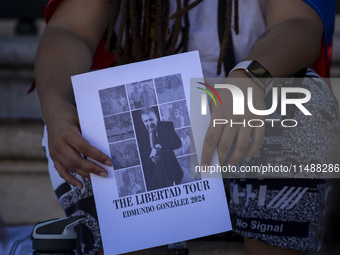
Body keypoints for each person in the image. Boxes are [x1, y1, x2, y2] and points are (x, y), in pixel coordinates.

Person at [34, 0, 338, 254]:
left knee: (302, 100)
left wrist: (250, 77)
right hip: (151, 171)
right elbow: (69, 28)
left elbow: (299, 22)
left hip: (249, 126)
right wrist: (54, 105)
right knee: (81, 119)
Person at [137, 107, 183, 191]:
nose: (149, 123)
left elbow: (178, 143)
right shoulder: (140, 135)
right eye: (146, 121)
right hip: (154, 173)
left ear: (156, 117)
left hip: (170, 169)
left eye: (151, 119)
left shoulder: (167, 126)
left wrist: (161, 147)